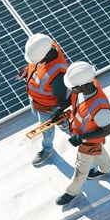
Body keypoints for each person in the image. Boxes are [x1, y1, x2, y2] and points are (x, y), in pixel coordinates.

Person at [56, 61, 110, 206]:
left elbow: (107, 130)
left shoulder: (99, 107)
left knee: (81, 168)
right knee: (98, 151)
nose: (72, 90)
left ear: (83, 86)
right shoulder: (86, 85)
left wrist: (82, 138)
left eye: (73, 88)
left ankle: (72, 191)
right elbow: (73, 99)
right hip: (85, 135)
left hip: (88, 140)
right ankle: (107, 168)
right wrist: (60, 109)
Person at [20, 33, 70, 167]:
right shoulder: (44, 46)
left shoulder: (57, 73)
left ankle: (47, 149)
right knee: (36, 115)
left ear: (46, 55)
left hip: (48, 108)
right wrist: (27, 70)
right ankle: (64, 123)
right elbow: (36, 66)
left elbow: (63, 98)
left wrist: (57, 113)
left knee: (47, 131)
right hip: (36, 101)